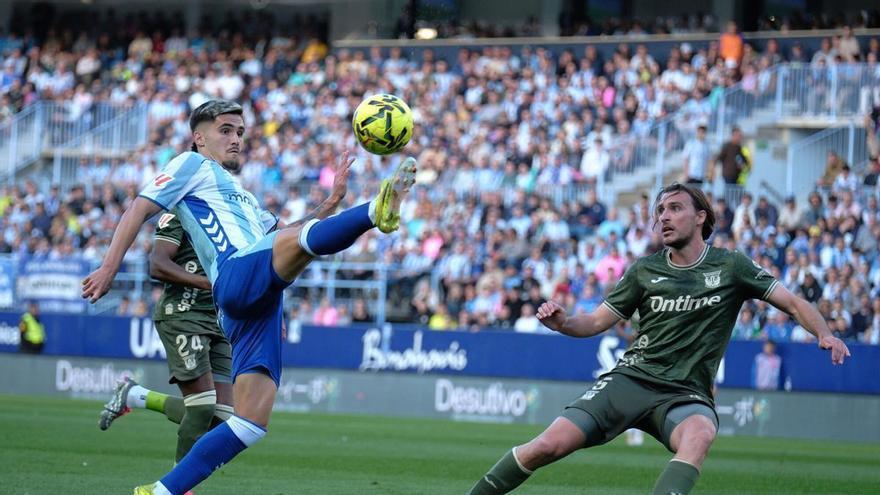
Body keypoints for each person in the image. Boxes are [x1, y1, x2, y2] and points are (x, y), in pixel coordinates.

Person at [80, 100, 416, 495]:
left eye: (239, 132)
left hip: (254, 303)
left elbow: (285, 235)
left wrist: (330, 203)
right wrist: (109, 267)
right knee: (295, 245)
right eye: (225, 130)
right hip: (234, 273)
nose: (235, 139)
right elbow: (138, 208)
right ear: (198, 137)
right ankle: (375, 211)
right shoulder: (190, 165)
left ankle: (160, 491)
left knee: (250, 422)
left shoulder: (243, 198)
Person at [467, 182, 850, 495]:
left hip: (685, 393)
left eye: (675, 208)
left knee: (700, 434)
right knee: (546, 445)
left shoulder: (731, 266)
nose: (663, 216)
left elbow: (793, 303)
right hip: (631, 380)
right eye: (660, 210)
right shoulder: (644, 270)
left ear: (700, 217)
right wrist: (564, 322)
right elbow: (596, 322)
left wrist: (825, 333)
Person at [99, 212, 235, 469]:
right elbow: (158, 264)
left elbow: (282, 234)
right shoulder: (180, 212)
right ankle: (177, 485)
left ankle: (135, 395)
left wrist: (322, 211)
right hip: (183, 315)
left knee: (223, 418)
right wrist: (208, 283)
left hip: (218, 320)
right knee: (202, 408)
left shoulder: (236, 211)